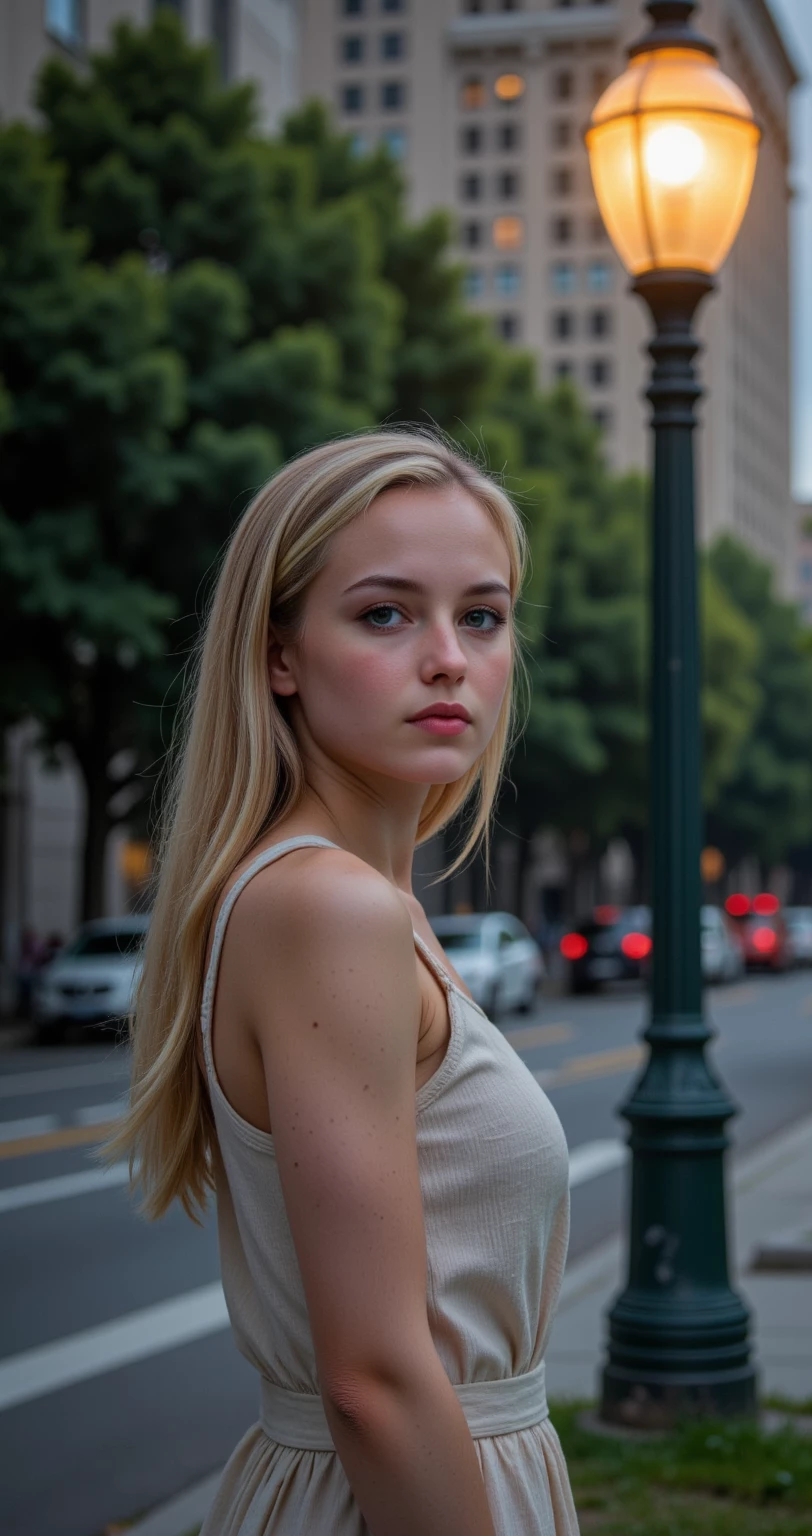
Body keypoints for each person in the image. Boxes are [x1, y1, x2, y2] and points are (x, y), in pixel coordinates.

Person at [106, 430, 579, 1536]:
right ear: (279, 654)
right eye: (384, 613)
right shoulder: (330, 909)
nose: (449, 657)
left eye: (482, 614)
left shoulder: (360, 904)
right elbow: (371, 1381)